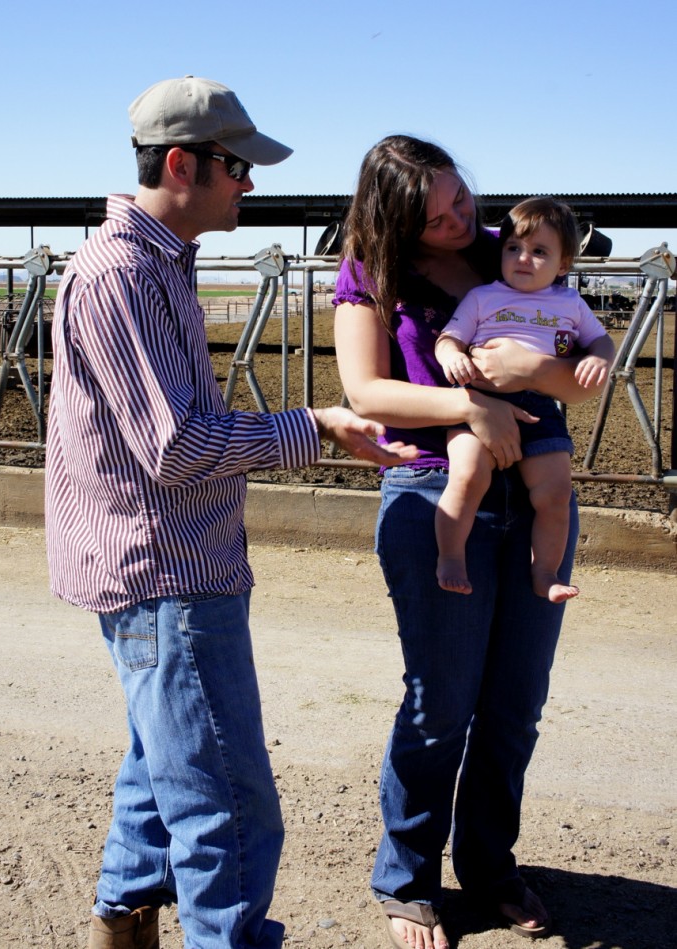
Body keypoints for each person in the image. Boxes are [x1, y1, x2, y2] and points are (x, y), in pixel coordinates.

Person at [44, 77, 417, 949]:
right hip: (166, 568)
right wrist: (313, 425)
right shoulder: (124, 273)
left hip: (159, 562)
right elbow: (174, 447)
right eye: (236, 166)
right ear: (181, 164)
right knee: (227, 802)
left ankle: (124, 919)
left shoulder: (150, 263)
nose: (249, 183)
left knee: (164, 761)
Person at [333, 136, 601, 949]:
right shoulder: (370, 271)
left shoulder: (512, 250)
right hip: (432, 490)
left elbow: (578, 371)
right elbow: (365, 389)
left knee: (515, 703)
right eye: (436, 212)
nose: (460, 218)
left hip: (537, 491)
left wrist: (532, 371)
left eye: (459, 197)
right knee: (440, 700)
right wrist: (468, 410)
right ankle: (408, 879)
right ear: (393, 217)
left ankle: (490, 866)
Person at [434, 196, 614, 602]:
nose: (523, 258)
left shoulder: (569, 302)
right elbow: (450, 336)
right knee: (468, 476)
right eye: (514, 247)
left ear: (563, 265)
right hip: (476, 401)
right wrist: (452, 356)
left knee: (555, 493)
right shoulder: (483, 297)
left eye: (539, 252)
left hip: (540, 406)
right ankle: (450, 556)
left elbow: (601, 340)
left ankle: (546, 572)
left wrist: (600, 359)